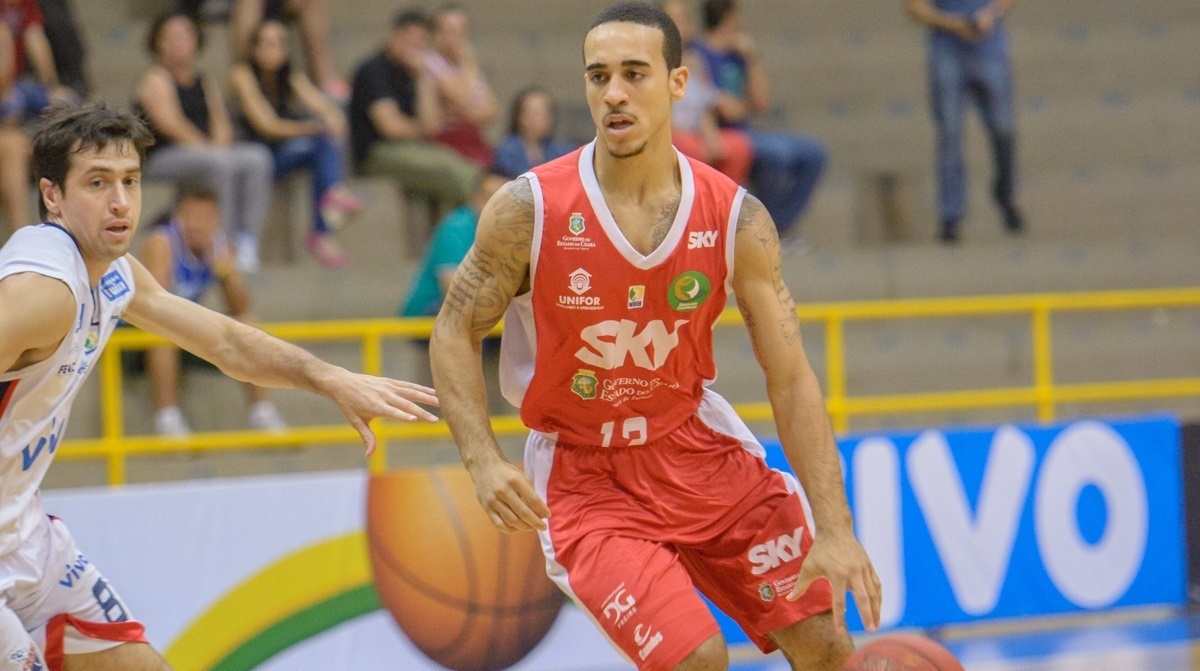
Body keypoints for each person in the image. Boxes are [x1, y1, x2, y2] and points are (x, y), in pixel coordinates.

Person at [430, 4, 880, 671]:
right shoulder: (530, 209)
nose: (613, 92)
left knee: (830, 648)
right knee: (696, 657)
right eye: (598, 76)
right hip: (586, 474)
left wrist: (835, 527)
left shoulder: (736, 218)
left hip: (695, 447)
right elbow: (453, 330)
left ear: (677, 83)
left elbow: (790, 377)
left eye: (634, 74)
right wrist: (482, 459)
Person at [0, 102, 437, 669]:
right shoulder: (43, 292)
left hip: (25, 534)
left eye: (130, 181)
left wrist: (328, 377)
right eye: (97, 183)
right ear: (52, 196)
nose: (120, 201)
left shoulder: (115, 274)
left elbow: (227, 344)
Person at [135, 186, 288, 436]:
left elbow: (241, 307)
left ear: (217, 220)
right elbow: (154, 308)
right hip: (134, 333)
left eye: (206, 218)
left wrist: (225, 271)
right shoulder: (161, 243)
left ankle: (262, 411)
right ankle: (167, 417)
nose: (198, 225)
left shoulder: (218, 245)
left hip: (181, 330)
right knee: (162, 333)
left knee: (247, 324)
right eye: (191, 216)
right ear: (177, 218)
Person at [135, 11, 274, 272]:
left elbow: (220, 121)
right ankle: (223, 242)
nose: (180, 42)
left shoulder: (203, 80)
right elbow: (171, 124)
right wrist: (211, 150)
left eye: (186, 35)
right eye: (172, 36)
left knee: (257, 157)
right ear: (158, 42)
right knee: (217, 164)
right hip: (162, 157)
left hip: (204, 153)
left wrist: (219, 145)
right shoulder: (155, 79)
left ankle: (246, 240)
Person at [231, 19, 363, 268]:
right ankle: (329, 213)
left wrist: (334, 119)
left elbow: (322, 104)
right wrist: (313, 127)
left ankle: (326, 220)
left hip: (282, 153)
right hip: (255, 158)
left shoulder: (290, 74)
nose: (274, 50)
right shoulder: (242, 75)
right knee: (320, 139)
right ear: (254, 48)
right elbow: (267, 125)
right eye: (268, 44)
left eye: (279, 44)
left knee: (326, 141)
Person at [694, 0, 827, 237]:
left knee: (814, 153)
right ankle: (765, 229)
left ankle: (780, 225)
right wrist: (745, 106)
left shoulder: (738, 55)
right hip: (722, 133)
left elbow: (763, 102)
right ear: (730, 17)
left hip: (747, 131)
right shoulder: (698, 54)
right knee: (777, 156)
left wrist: (752, 58)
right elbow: (727, 110)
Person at [905, 0, 1023, 243]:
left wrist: (991, 15)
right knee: (950, 134)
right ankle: (951, 214)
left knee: (1004, 128)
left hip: (989, 47)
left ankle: (1005, 192)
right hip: (947, 50)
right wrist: (953, 24)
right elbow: (914, 8)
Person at [348, 9, 480, 214]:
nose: (415, 50)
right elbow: (392, 129)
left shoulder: (412, 74)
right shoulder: (373, 70)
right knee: (448, 169)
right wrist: (420, 128)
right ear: (394, 36)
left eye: (420, 45)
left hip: (412, 147)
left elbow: (432, 125)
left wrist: (423, 78)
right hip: (377, 153)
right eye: (410, 42)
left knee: (454, 168)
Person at [661, 0, 753, 185]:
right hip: (671, 131)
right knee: (693, 152)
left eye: (684, 19)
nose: (681, 26)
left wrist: (710, 135)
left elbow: (704, 104)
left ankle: (726, 199)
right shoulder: (655, 62)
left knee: (738, 146)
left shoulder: (695, 59)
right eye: (674, 20)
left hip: (696, 131)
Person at [400, 171, 507, 318]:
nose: (493, 206)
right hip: (427, 317)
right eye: (487, 197)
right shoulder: (456, 228)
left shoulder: (513, 230)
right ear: (474, 197)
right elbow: (457, 295)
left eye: (502, 200)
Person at [229, 0, 348, 100]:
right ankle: (246, 71)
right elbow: (269, 121)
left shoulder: (294, 78)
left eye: (281, 43)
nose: (278, 51)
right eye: (271, 45)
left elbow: (326, 110)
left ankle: (326, 82)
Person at [425, 4, 497, 168]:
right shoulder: (431, 63)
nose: (456, 38)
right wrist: (468, 64)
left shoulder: (468, 68)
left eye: (461, 31)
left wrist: (460, 111)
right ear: (437, 34)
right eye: (450, 31)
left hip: (474, 139)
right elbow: (463, 99)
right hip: (444, 144)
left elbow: (491, 111)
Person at [0, 0, 77, 124]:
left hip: (18, 83)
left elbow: (36, 41)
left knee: (67, 101)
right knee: (12, 107)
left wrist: (52, 86)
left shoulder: (26, 4)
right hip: (6, 88)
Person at [492, 86, 577, 179]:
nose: (543, 118)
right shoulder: (507, 151)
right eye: (536, 113)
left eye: (546, 112)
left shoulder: (562, 150)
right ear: (520, 116)